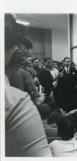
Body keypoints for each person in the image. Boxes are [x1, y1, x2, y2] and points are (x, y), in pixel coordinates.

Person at [5, 14, 52, 156]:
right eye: (27, 58)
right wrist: (39, 99)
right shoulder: (16, 101)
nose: (29, 61)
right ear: (14, 49)